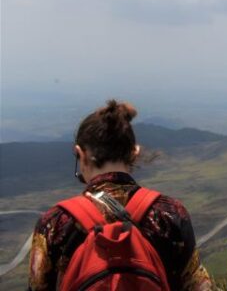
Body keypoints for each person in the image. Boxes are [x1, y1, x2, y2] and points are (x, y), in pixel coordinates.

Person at [27, 100, 212, 291]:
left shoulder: (55, 222)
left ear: (79, 154)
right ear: (135, 153)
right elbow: (197, 285)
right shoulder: (170, 213)